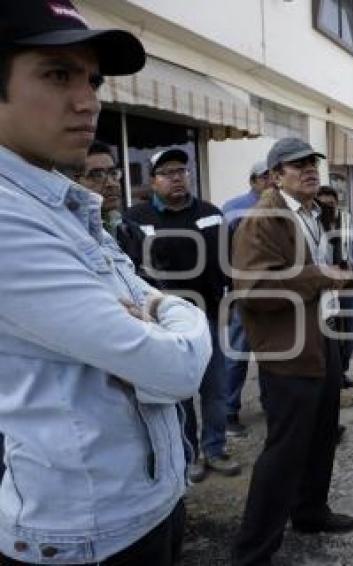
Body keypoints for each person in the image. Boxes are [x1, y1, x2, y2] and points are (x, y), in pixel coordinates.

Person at [0, 2, 211, 563]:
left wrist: (157, 308)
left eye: (91, 79)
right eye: (56, 74)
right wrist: (176, 314)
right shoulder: (8, 216)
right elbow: (178, 368)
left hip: (145, 502)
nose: (88, 100)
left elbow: (144, 300)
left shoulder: (59, 202)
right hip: (84, 534)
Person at [231, 137, 353, 566]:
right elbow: (252, 290)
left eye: (312, 163)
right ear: (274, 175)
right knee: (284, 450)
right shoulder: (264, 218)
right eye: (296, 164)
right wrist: (319, 275)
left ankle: (309, 512)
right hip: (287, 348)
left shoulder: (315, 212)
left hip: (320, 336)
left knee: (323, 433)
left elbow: (320, 270)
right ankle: (254, 551)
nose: (308, 169)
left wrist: (340, 276)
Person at [125, 147, 240, 482]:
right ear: (153, 180)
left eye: (182, 170)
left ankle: (215, 449)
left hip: (208, 314)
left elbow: (229, 263)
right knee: (179, 390)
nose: (177, 177)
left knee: (215, 386)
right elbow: (132, 269)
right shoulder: (137, 218)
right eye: (167, 173)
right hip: (164, 320)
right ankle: (188, 454)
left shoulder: (211, 213)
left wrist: (230, 302)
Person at [220, 160, 270, 437]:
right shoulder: (234, 207)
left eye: (272, 176)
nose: (270, 182)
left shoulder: (281, 207)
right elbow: (222, 250)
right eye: (265, 177)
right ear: (253, 180)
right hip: (244, 292)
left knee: (272, 352)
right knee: (238, 352)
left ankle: (269, 401)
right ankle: (228, 412)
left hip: (275, 291)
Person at [72, 141, 154, 280]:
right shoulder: (66, 232)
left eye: (113, 173)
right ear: (75, 182)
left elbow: (155, 283)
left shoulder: (132, 232)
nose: (111, 183)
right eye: (97, 175)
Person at [316, 185, 353, 389]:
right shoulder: (314, 223)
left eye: (331, 204)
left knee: (350, 333)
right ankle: (332, 376)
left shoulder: (346, 223)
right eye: (323, 204)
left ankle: (342, 371)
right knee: (330, 336)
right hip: (325, 290)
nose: (328, 207)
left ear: (337, 204)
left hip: (347, 286)